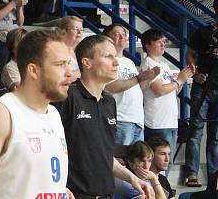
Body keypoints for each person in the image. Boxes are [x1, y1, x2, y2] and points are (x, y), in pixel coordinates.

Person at [0, 29, 71, 198]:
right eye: (60, 64)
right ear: (33, 70)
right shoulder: (0, 114)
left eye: (68, 63)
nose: (69, 72)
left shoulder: (53, 114)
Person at [56, 35, 155, 198]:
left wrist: (132, 178)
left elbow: (105, 155)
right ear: (86, 63)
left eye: (115, 56)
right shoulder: (68, 97)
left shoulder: (109, 102)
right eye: (109, 57)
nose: (116, 62)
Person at [105, 24, 159, 146]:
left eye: (123, 34)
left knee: (137, 160)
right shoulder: (107, 60)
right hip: (120, 118)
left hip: (137, 119)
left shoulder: (129, 61)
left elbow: (139, 87)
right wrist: (139, 78)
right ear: (107, 38)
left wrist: (149, 78)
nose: (121, 37)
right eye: (116, 34)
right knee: (121, 159)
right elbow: (112, 87)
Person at [184, 18, 218, 187]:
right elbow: (189, 53)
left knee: (216, 135)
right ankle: (191, 173)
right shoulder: (204, 31)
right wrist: (195, 72)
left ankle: (214, 176)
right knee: (196, 130)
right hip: (202, 87)